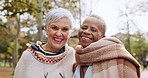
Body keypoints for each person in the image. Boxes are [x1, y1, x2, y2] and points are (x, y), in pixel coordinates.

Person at [14, 8, 75, 78]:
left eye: (65, 29)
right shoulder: (28, 56)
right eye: (54, 28)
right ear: (46, 29)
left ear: (70, 33)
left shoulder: (72, 55)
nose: (58, 34)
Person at [73, 15, 141, 78]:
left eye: (93, 30)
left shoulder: (121, 61)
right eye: (83, 28)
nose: (86, 32)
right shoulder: (77, 63)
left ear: (103, 37)